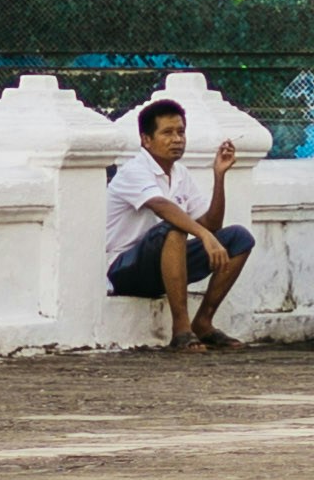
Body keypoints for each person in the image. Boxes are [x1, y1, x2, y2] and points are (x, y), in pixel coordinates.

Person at [107, 93, 251, 350]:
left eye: (181, 132)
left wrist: (219, 176)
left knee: (239, 238)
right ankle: (181, 329)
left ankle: (203, 322)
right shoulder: (134, 171)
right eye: (168, 133)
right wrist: (205, 237)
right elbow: (163, 208)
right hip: (125, 269)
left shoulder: (180, 173)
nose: (177, 139)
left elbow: (210, 224)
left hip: (168, 265)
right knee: (174, 227)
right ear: (146, 139)